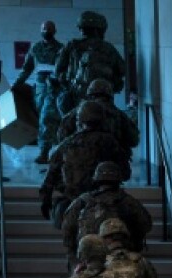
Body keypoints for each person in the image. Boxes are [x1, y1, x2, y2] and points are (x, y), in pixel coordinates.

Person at [40, 103, 131, 226]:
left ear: (80, 121)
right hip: (104, 205)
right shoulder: (111, 142)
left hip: (72, 205)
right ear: (102, 120)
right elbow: (126, 173)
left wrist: (45, 200)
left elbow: (50, 177)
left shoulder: (66, 145)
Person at [60, 163, 153, 267]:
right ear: (118, 180)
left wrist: (74, 256)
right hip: (122, 260)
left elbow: (67, 229)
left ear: (96, 179)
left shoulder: (82, 201)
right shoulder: (129, 202)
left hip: (88, 260)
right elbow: (146, 225)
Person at [54, 11, 125, 115]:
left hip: (76, 98)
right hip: (103, 98)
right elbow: (122, 70)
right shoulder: (108, 48)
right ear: (99, 29)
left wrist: (69, 84)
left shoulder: (72, 46)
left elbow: (58, 71)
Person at [13, 20, 63, 164]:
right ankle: (51, 149)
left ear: (55, 31)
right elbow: (27, 68)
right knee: (44, 120)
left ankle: (44, 151)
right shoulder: (35, 48)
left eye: (49, 28)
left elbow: (66, 69)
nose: (46, 31)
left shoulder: (61, 49)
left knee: (46, 119)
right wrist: (17, 84)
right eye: (44, 28)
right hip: (40, 89)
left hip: (55, 89)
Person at [56, 79, 141, 151]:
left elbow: (62, 135)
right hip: (112, 164)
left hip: (82, 161)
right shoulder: (119, 114)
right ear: (109, 94)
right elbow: (134, 140)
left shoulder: (78, 111)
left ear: (89, 94)